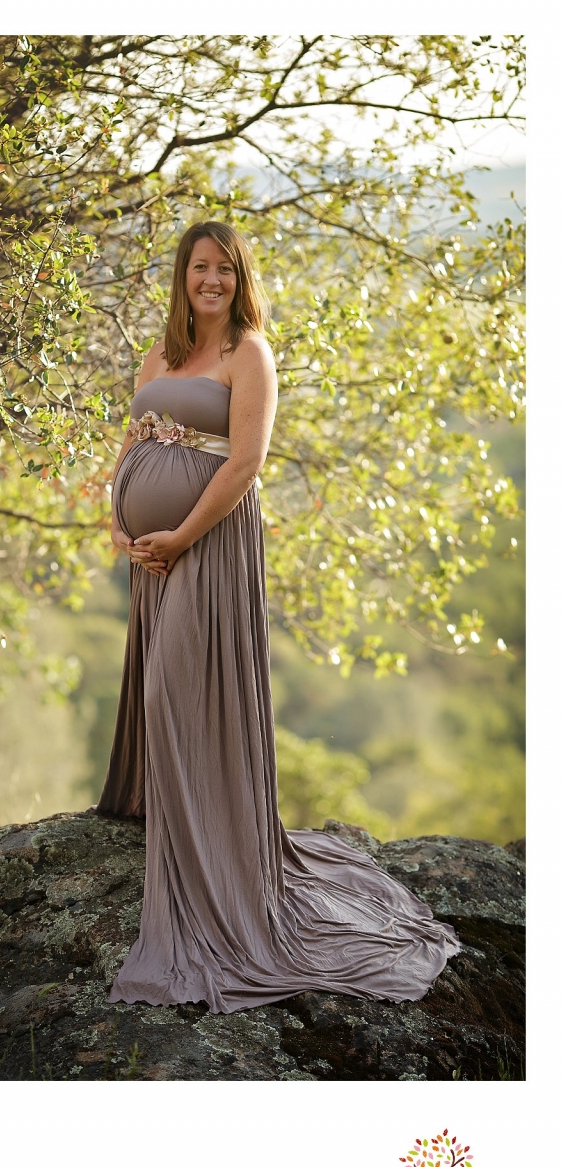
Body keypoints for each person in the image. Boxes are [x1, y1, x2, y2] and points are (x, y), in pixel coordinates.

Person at [96, 220, 461, 1014]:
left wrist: (180, 534)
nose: (212, 282)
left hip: (208, 546)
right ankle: (180, 826)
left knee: (171, 694)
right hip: (152, 552)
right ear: (183, 276)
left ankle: (209, 873)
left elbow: (246, 462)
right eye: (199, 268)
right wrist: (120, 526)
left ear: (241, 279)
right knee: (165, 694)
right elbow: (131, 444)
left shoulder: (248, 354)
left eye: (225, 270)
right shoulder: (160, 354)